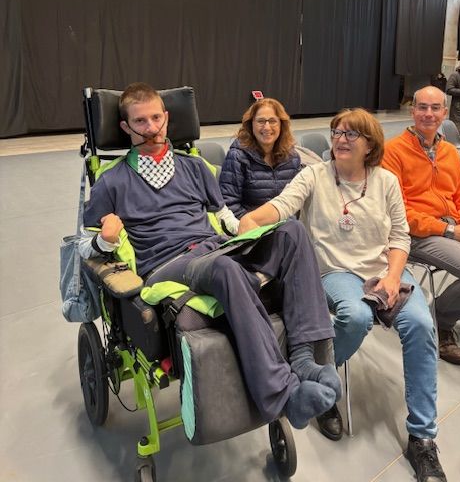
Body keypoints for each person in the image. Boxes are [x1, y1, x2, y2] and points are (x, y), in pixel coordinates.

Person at [79, 83, 341, 431]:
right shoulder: (111, 181)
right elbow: (85, 247)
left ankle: (308, 358)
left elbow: (225, 218)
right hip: (165, 266)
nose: (151, 127)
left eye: (156, 118)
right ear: (126, 127)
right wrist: (106, 241)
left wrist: (249, 230)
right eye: (140, 121)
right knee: (224, 268)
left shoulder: (195, 167)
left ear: (167, 118)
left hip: (214, 246)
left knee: (291, 233)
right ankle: (281, 394)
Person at [238, 108, 447, 482]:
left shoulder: (386, 181)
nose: (340, 139)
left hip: (385, 269)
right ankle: (322, 382)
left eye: (351, 134)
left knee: (420, 324)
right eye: (336, 132)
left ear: (370, 145)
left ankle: (423, 437)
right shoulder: (314, 175)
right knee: (356, 315)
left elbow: (400, 237)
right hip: (335, 271)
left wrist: (393, 277)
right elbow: (282, 207)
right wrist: (251, 220)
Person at [383, 85, 460, 366]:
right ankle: (441, 320)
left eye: (435, 108)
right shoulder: (393, 151)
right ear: (412, 111)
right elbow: (398, 212)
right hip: (415, 235)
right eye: (422, 107)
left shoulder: (449, 151)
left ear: (444, 113)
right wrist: (449, 230)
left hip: (453, 226)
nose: (428, 113)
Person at [219, 98, 302, 217]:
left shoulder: (292, 157)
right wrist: (258, 222)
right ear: (251, 124)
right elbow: (229, 204)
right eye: (261, 121)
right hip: (251, 224)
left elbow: (297, 201)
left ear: (281, 125)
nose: (267, 127)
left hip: (287, 222)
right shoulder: (237, 157)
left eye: (272, 121)